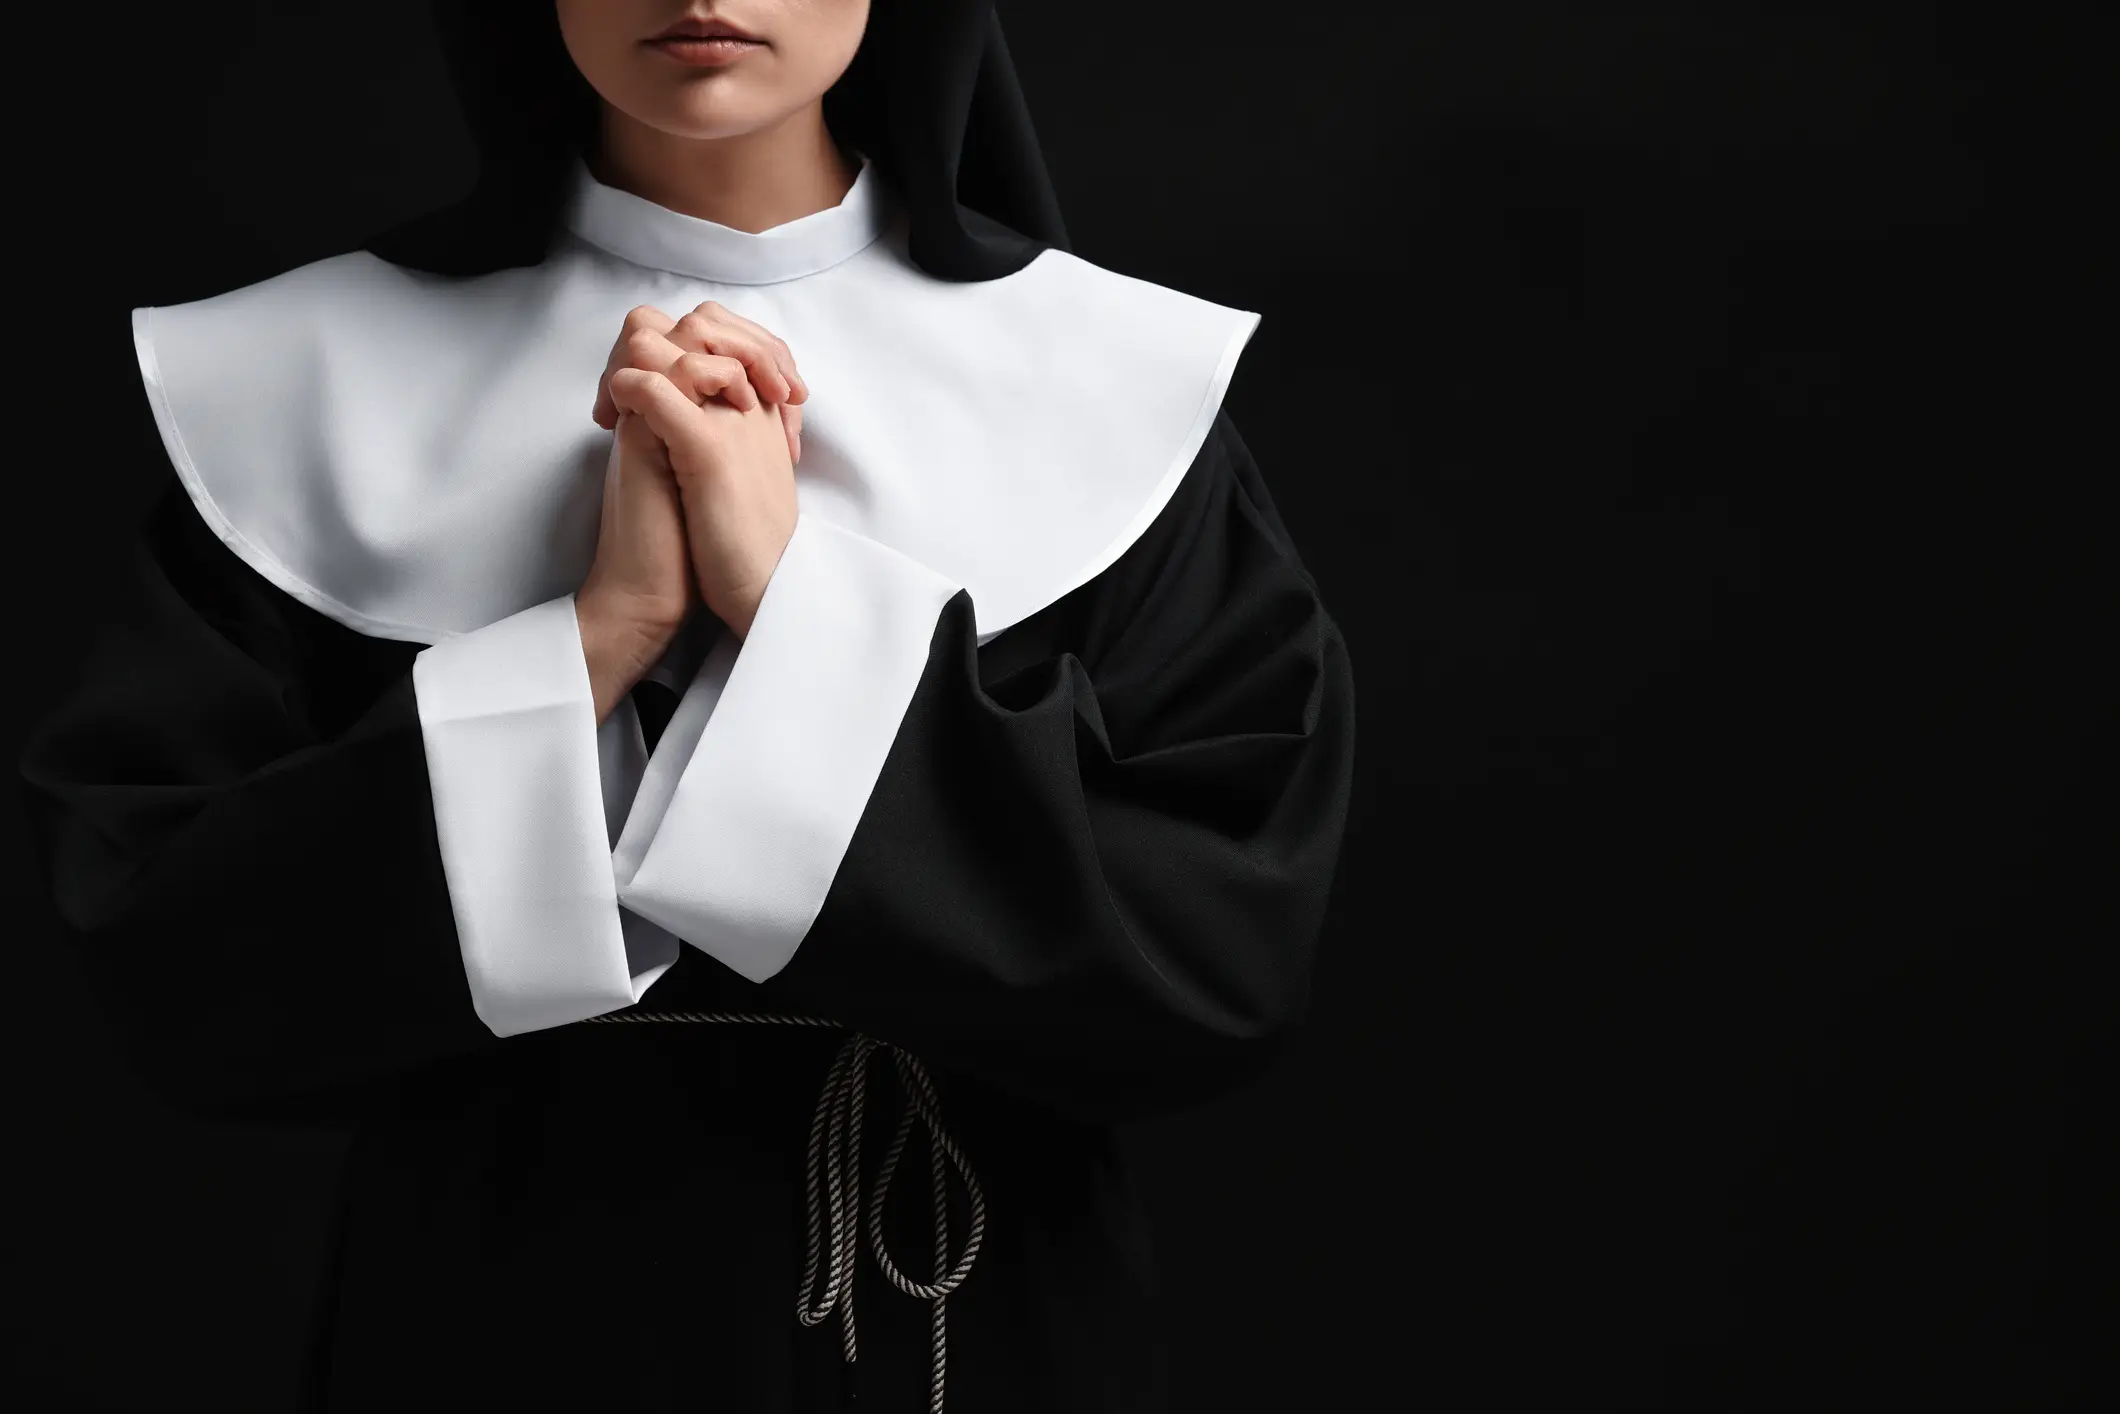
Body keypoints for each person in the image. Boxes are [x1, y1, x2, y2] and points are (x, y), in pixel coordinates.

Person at [17, 1, 1357, 1409]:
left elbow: (1223, 953)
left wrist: (794, 600)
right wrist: (599, 637)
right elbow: (172, 969)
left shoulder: (1106, 389)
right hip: (482, 1322)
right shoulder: (302, 385)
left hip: (967, 1312)